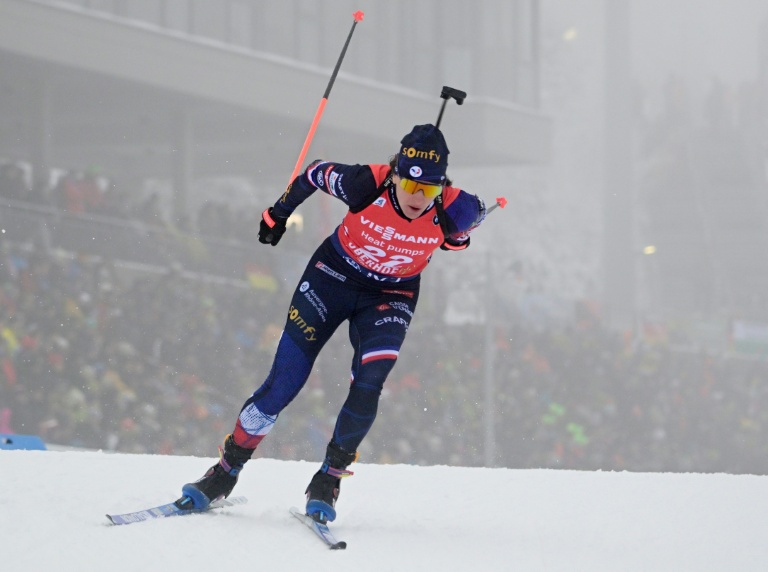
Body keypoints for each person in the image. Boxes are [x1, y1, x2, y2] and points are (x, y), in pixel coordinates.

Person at [177, 124, 487, 523]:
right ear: (394, 173)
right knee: (284, 383)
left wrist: (456, 238)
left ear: (441, 186)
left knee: (370, 382)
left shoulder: (462, 207)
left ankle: (328, 479)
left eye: (427, 191)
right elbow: (313, 172)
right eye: (408, 186)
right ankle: (225, 472)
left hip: (391, 296)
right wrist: (277, 214)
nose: (415, 198)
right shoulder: (364, 183)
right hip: (332, 278)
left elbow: (461, 236)